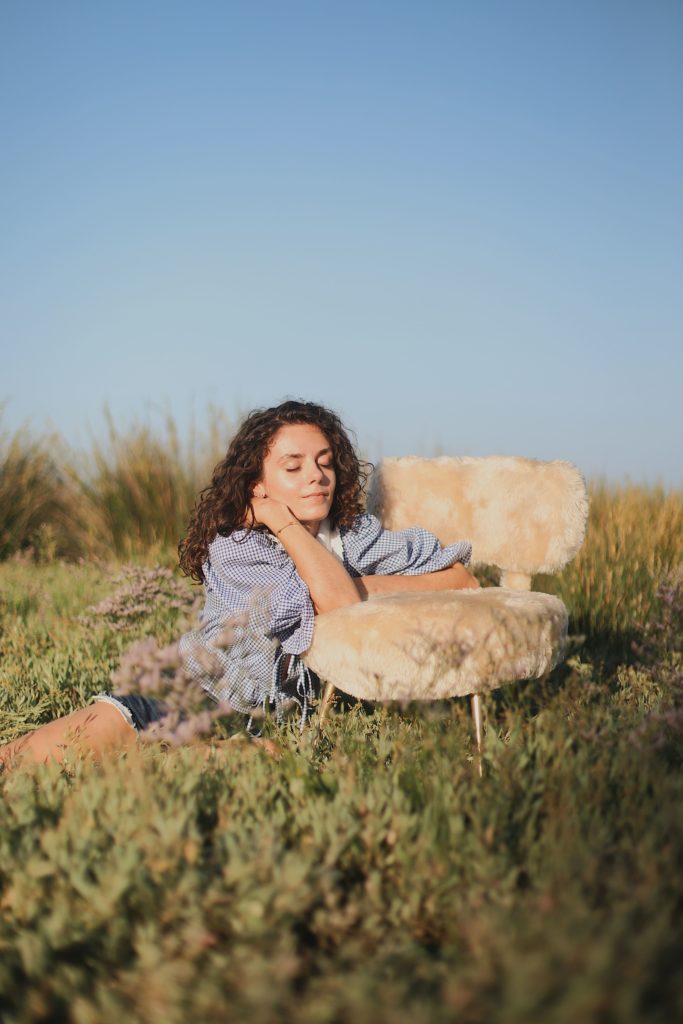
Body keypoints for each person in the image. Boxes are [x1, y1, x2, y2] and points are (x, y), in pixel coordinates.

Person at [0, 400, 478, 771]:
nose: (316, 476)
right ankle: (176, 758)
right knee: (26, 763)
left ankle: (178, 762)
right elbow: (337, 603)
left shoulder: (354, 537)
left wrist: (357, 582)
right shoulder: (237, 548)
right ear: (257, 484)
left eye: (325, 462)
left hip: (260, 726)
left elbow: (461, 581)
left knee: (248, 760)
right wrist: (280, 522)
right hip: (184, 699)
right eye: (293, 467)